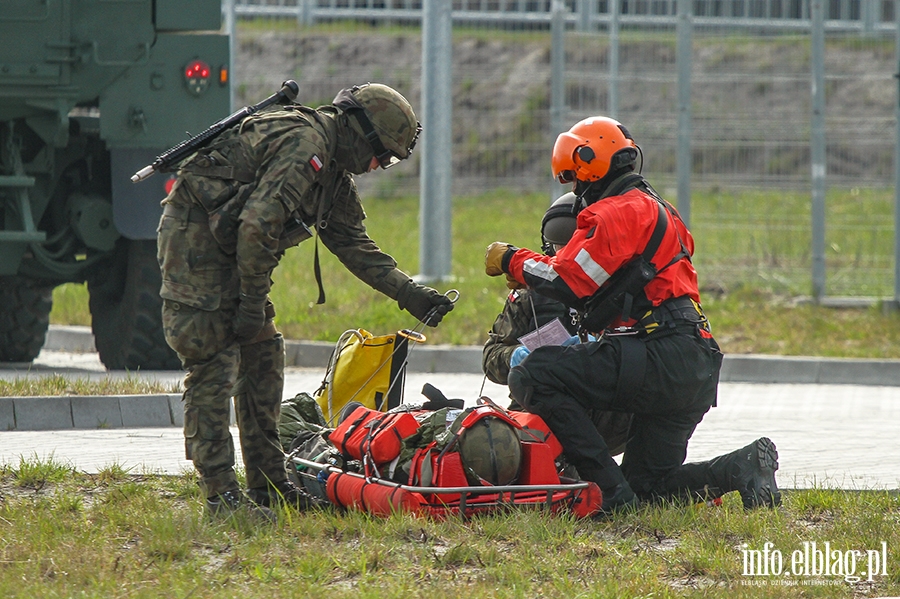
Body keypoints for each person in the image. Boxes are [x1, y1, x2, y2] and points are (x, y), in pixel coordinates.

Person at [157, 83, 455, 518]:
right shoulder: (306, 143)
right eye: (381, 155)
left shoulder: (333, 171)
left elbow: (352, 242)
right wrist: (252, 305)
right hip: (196, 246)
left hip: (237, 257)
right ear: (360, 133)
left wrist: (411, 295)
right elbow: (258, 225)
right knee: (213, 367)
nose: (377, 166)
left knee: (263, 359)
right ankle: (221, 498)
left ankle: (269, 487)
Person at [484, 116, 780, 513]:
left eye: (575, 178)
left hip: (656, 355)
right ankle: (738, 469)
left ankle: (608, 492)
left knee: (532, 373)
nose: (576, 189)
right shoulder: (663, 212)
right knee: (652, 487)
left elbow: (569, 281)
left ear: (589, 166)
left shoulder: (612, 213)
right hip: (696, 362)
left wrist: (511, 259)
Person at [482, 192, 632, 456]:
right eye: (559, 252)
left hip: (604, 405)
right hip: (540, 405)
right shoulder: (530, 295)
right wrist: (516, 358)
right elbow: (491, 357)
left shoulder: (622, 289)